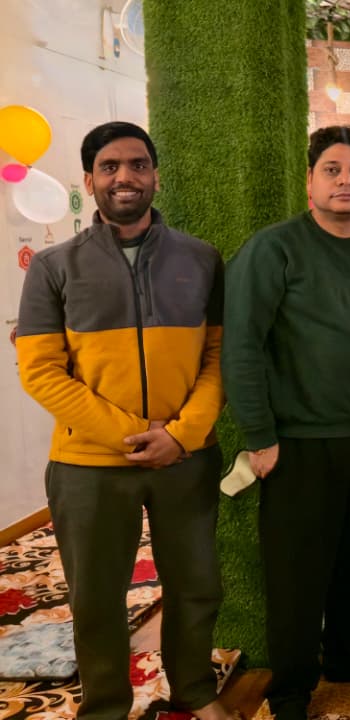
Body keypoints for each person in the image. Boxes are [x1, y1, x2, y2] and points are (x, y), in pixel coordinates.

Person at [16, 122, 235, 720]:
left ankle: (194, 691)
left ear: (156, 175)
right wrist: (131, 435)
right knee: (96, 599)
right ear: (89, 181)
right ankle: (106, 708)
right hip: (88, 463)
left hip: (185, 458)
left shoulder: (201, 259)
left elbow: (218, 357)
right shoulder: (54, 266)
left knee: (196, 585)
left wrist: (180, 436)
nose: (125, 177)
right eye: (109, 167)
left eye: (137, 164)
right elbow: (40, 371)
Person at [221, 126, 350, 719]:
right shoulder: (274, 249)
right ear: (310, 179)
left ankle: (348, 656)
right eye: (332, 169)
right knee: (298, 573)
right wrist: (259, 436)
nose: (345, 180)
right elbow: (242, 346)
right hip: (298, 443)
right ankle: (291, 687)